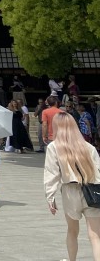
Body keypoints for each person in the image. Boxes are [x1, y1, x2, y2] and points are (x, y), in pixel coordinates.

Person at [44, 111, 100, 261]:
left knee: (72, 231)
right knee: (95, 236)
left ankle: (72, 260)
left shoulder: (54, 147)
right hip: (92, 191)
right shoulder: (88, 147)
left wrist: (50, 197)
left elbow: (52, 174)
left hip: (70, 191)